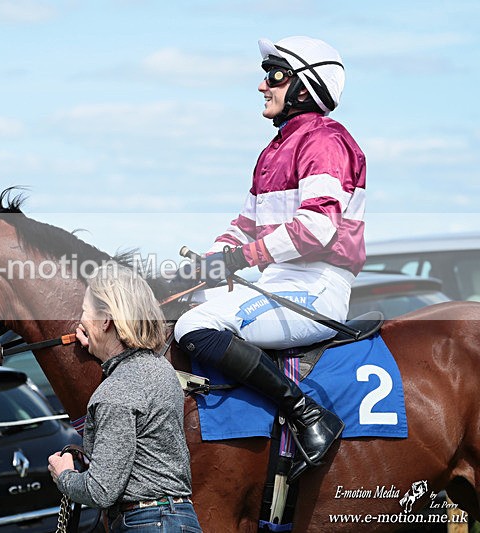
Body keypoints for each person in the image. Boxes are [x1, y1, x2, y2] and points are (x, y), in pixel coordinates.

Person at [174, 36, 366, 481]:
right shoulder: (274, 150)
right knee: (180, 312)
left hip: (316, 287)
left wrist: (242, 257)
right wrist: (205, 265)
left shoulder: (326, 142)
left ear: (304, 87)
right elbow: (242, 225)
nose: (263, 86)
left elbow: (317, 229)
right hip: (280, 279)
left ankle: (308, 416)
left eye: (274, 75)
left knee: (195, 327)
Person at [48, 263, 201, 533]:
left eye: (85, 312)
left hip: (146, 523)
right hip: (182, 518)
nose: (81, 322)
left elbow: (101, 491)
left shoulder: (115, 393)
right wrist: (100, 344)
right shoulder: (160, 369)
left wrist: (65, 476)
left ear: (106, 320)